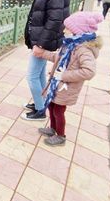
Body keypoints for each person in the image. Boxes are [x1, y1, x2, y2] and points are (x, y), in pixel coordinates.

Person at [35, 12, 103, 146]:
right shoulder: (71, 44)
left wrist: (63, 76)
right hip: (58, 85)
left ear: (79, 31)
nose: (65, 30)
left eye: (69, 28)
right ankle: (53, 129)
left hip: (66, 88)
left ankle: (61, 136)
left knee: (58, 111)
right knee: (52, 106)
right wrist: (43, 54)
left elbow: (89, 71)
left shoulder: (84, 50)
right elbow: (58, 58)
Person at [22, 0, 70, 121]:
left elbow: (55, 19)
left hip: (45, 42)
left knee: (32, 76)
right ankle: (41, 102)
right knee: (40, 74)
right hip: (44, 40)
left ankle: (41, 110)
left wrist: (40, 44)